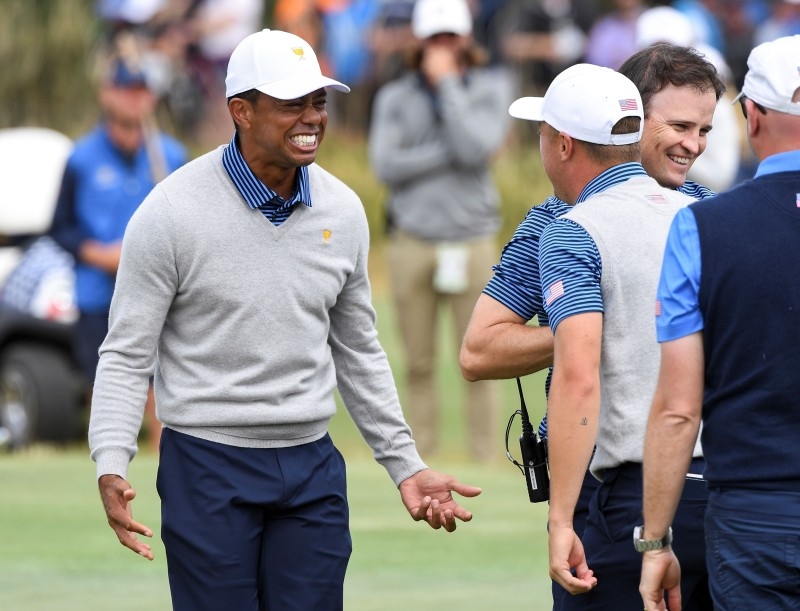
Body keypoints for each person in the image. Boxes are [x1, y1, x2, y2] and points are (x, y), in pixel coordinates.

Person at [88, 28, 481, 611]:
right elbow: (126, 352)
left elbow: (358, 351)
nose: (312, 117)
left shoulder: (344, 211)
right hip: (206, 462)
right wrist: (111, 458)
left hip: (311, 464)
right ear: (240, 111)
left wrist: (406, 465)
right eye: (291, 103)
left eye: (318, 101)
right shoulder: (169, 213)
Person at [459, 43, 723, 608]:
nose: (692, 145)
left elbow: (582, 376)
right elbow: (479, 350)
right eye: (678, 125)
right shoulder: (558, 220)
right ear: (635, 124)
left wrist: (603, 330)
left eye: (703, 129)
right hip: (656, 490)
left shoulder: (701, 210)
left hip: (649, 490)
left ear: (563, 142)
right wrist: (596, 330)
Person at [521, 63, 708, 609]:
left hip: (632, 496)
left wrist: (560, 519)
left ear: (561, 144)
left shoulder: (573, 230)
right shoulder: (707, 212)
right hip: (724, 492)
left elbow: (578, 380)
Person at [640, 34, 800, 611]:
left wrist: (655, 541)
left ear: (752, 116)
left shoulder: (703, 226)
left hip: (755, 516)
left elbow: (680, 408)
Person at [368, 0, 512, 462]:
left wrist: (449, 86)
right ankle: (420, 460)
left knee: (483, 360)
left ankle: (488, 460)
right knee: (418, 363)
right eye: (435, 39)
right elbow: (386, 165)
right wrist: (446, 151)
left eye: (450, 38)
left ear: (466, 39)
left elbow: (477, 148)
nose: (443, 48)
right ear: (419, 41)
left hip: (472, 241)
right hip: (413, 239)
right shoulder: (395, 96)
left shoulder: (491, 87)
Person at [50, 54, 187, 452]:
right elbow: (61, 229)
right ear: (108, 95)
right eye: (126, 90)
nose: (134, 100)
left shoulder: (171, 156)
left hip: (160, 291)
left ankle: (170, 486)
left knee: (163, 394)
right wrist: (99, 253)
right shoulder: (81, 158)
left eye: (142, 91)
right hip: (99, 293)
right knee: (106, 389)